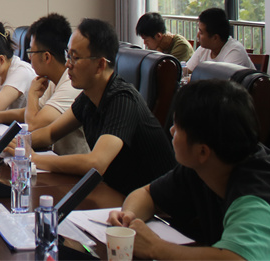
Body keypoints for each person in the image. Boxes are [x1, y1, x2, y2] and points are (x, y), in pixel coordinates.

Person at [108, 79, 270, 260]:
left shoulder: (255, 194)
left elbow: (238, 258)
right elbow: (147, 194)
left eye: (177, 127)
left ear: (202, 151)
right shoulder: (206, 166)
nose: (171, 131)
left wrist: (155, 248)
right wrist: (129, 216)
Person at [20, 18, 176, 195]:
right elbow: (49, 133)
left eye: (75, 58)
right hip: (119, 192)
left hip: (157, 204)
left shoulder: (123, 99)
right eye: (68, 55)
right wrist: (17, 144)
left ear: (100, 65)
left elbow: (96, 163)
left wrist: (34, 158)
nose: (68, 64)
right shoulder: (89, 95)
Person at [0, 13, 90, 155]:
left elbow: (33, 126)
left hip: (69, 164)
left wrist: (32, 95)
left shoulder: (70, 85)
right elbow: (26, 113)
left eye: (31, 52)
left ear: (46, 57)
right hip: (53, 157)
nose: (29, 58)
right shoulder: (53, 80)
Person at [186, 8, 254, 73]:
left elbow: (226, 80)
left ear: (215, 38)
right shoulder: (204, 48)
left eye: (201, 33)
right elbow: (187, 71)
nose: (197, 35)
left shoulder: (235, 52)